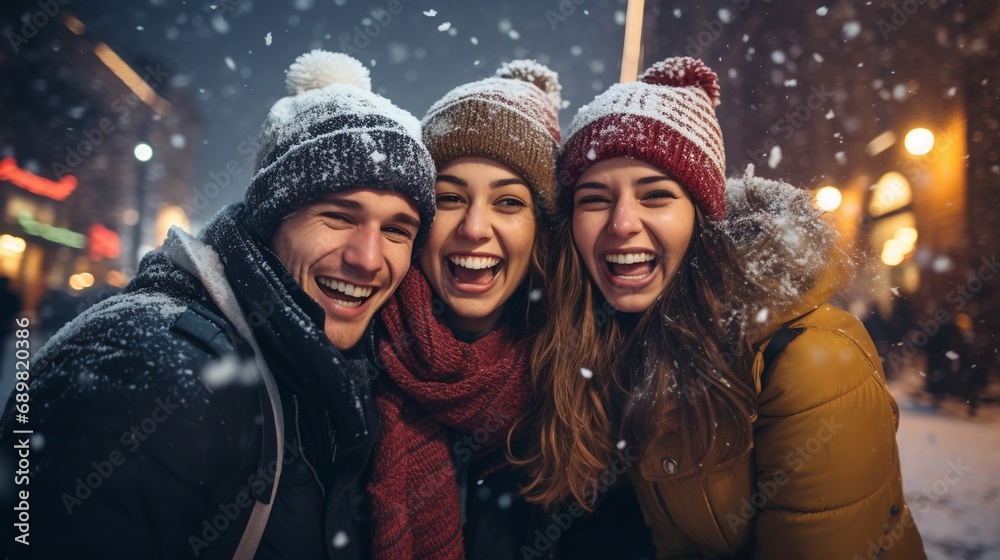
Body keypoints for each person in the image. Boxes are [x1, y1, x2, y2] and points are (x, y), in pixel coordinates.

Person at [0, 50, 435, 560]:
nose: (368, 258)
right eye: (338, 216)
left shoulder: (335, 376)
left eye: (396, 230)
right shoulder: (152, 366)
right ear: (273, 220)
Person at [519, 57, 925, 559]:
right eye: (596, 198)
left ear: (701, 222)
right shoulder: (620, 344)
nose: (622, 223)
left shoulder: (809, 360)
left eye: (656, 195)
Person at [366, 60, 652, 560]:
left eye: (508, 203)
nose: (475, 228)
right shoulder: (353, 356)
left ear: (541, 230)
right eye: (450, 198)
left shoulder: (595, 386)